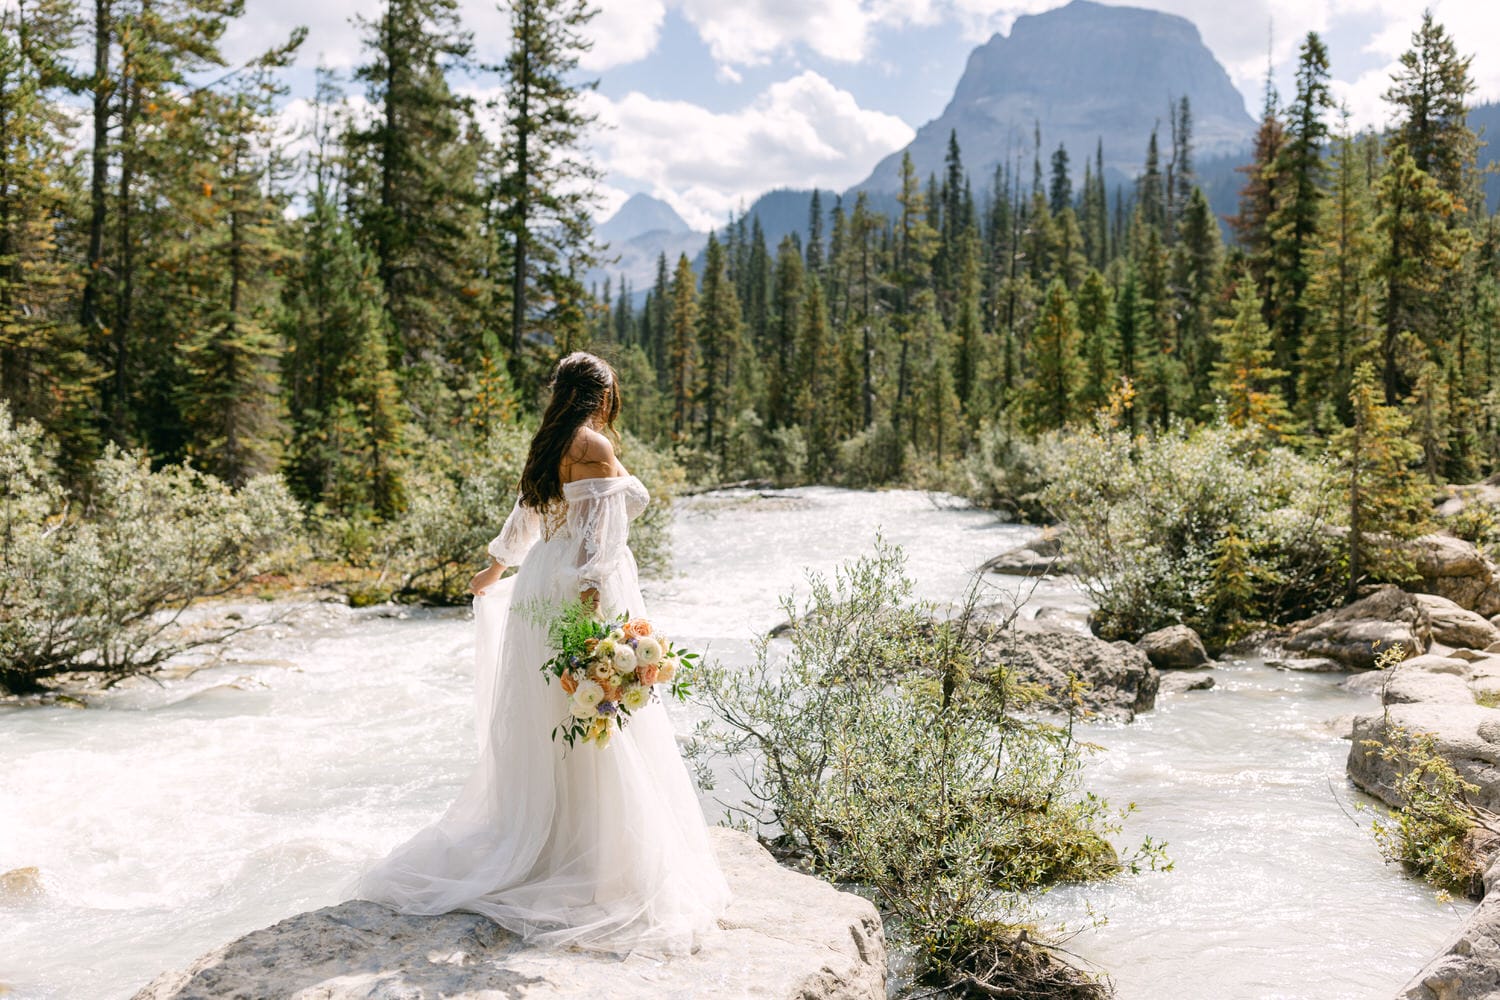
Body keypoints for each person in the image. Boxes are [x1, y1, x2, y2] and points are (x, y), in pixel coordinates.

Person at [355, 351, 729, 956]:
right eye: (612, 391)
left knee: (554, 711)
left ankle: (549, 837)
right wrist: (592, 617)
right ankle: (599, 854)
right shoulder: (596, 447)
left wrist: (496, 567)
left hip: (537, 583)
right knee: (599, 710)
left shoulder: (551, 441)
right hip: (582, 587)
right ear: (601, 394)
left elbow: (527, 515)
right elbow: (599, 544)